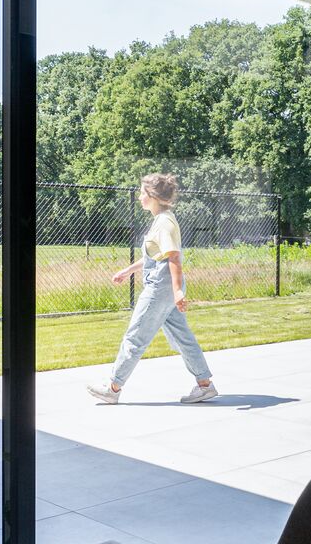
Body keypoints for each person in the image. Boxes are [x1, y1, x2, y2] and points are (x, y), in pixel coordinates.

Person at [87, 173, 218, 404]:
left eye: (142, 193)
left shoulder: (165, 222)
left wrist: (178, 291)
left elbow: (174, 258)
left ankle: (113, 388)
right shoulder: (162, 219)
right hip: (165, 288)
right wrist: (128, 270)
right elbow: (155, 257)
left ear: (153, 196)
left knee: (135, 336)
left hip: (160, 289)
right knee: (183, 338)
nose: (139, 197)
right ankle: (204, 385)